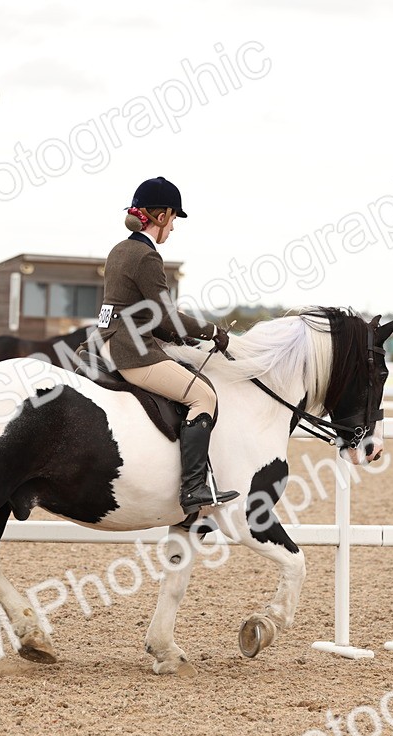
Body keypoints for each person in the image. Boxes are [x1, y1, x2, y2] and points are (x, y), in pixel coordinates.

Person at [95, 176, 238, 515]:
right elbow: (168, 315)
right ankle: (193, 487)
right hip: (131, 350)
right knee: (203, 395)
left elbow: (148, 314)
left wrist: (179, 336)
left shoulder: (119, 249)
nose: (173, 228)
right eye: (173, 220)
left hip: (104, 342)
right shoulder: (147, 256)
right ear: (162, 217)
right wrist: (212, 331)